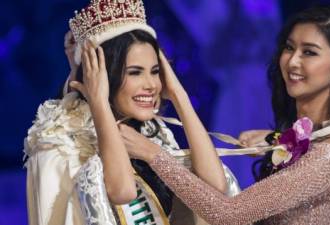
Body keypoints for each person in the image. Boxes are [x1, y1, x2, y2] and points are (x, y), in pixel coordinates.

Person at [119, 5, 330, 224]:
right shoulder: (310, 136)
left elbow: (228, 214)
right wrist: (276, 140)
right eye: (289, 47)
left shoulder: (329, 156)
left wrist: (153, 154)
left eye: (309, 52)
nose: (292, 61)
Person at [24, 1, 240, 225]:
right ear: (104, 75)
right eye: (135, 72)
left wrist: (178, 94)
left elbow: (216, 185)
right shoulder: (62, 138)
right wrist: (99, 102)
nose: (151, 85)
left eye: (155, 72)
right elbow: (123, 191)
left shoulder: (149, 130)